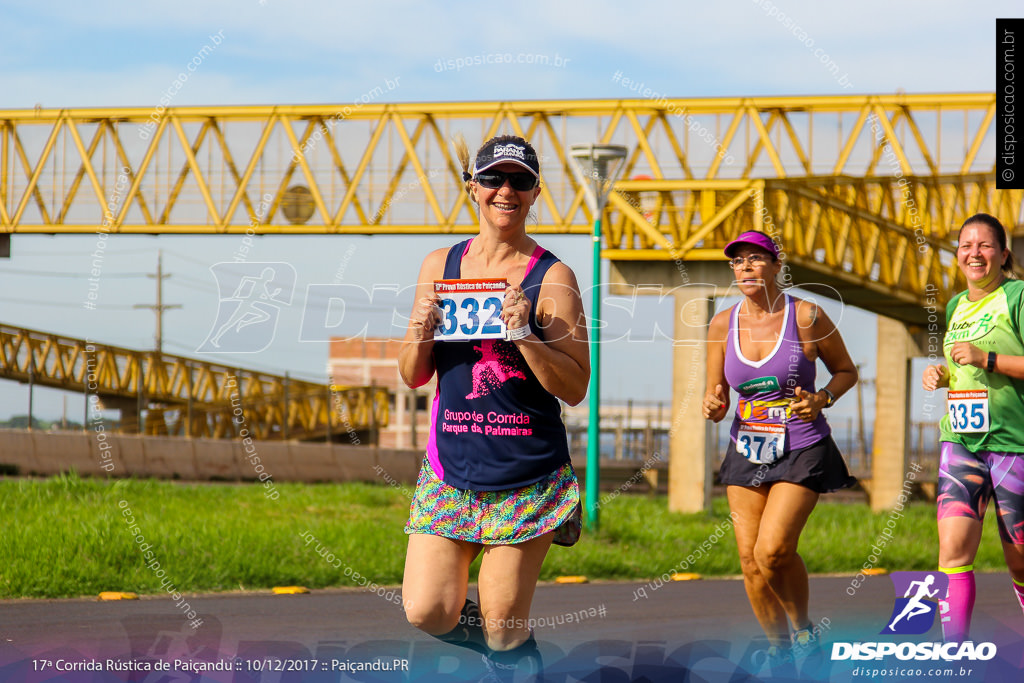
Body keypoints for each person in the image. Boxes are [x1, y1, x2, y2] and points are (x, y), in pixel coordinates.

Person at [398, 134, 590, 679]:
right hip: (450, 470)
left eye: (520, 181)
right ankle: (505, 650)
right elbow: (413, 374)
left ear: (535, 194)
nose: (506, 190)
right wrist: (421, 328)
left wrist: (525, 332)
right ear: (472, 188)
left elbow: (575, 387)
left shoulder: (553, 278)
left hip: (526, 473)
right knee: (427, 611)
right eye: (493, 179)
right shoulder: (442, 264)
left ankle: (512, 655)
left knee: (504, 622)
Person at [702, 230, 858, 670]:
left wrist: (822, 397)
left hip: (802, 445)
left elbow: (846, 371)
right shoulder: (721, 323)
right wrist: (712, 404)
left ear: (776, 266)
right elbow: (716, 397)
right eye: (738, 261)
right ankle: (780, 650)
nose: (745, 267)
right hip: (746, 446)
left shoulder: (806, 315)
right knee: (750, 562)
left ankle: (805, 630)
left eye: (755, 259)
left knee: (773, 551)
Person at [921, 212, 1024, 643]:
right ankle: (954, 656)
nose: (974, 253)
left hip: (1013, 444)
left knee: (1019, 559)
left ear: (1003, 254)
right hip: (960, 441)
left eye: (985, 245)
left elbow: (985, 360)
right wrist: (944, 376)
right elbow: (961, 365)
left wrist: (988, 359)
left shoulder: (1018, 296)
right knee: (952, 553)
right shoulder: (955, 305)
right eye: (966, 245)